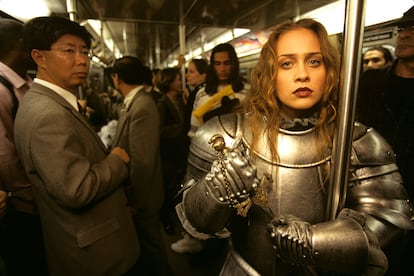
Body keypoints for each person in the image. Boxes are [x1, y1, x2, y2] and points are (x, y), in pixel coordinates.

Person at [175, 18, 414, 275]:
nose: (302, 74)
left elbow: (388, 219)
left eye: (314, 61)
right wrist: (216, 191)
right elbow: (193, 218)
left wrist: (316, 241)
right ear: (269, 72)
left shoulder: (357, 140)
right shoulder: (225, 133)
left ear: (329, 70)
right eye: (287, 63)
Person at [14, 16, 139, 275]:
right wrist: (117, 161)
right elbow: (76, 188)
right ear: (39, 57)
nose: (81, 60)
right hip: (93, 253)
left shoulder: (45, 102)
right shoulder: (48, 115)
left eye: (84, 52)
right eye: (69, 51)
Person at [356, 5, 414, 275]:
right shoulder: (370, 83)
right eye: (403, 28)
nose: (404, 34)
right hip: (363, 206)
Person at [110, 56, 170, 275]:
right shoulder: (136, 102)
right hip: (142, 194)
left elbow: (142, 162)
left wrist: (136, 200)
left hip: (143, 197)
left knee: (151, 249)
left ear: (116, 78)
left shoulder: (142, 106)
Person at [0, 18, 48, 276]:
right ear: (20, 44)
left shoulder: (25, 84)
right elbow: (4, 156)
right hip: (21, 205)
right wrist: (28, 197)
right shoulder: (2, 89)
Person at [188, 43, 249, 138]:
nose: (222, 69)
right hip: (207, 145)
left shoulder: (248, 91)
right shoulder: (202, 93)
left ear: (234, 64)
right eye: (217, 64)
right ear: (212, 66)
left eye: (227, 63)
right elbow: (194, 130)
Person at [156, 67, 187, 236]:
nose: (180, 82)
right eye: (176, 80)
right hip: (168, 155)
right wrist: (181, 128)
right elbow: (159, 131)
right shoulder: (162, 104)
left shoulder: (179, 100)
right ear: (168, 83)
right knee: (168, 189)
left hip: (177, 153)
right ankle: (166, 220)